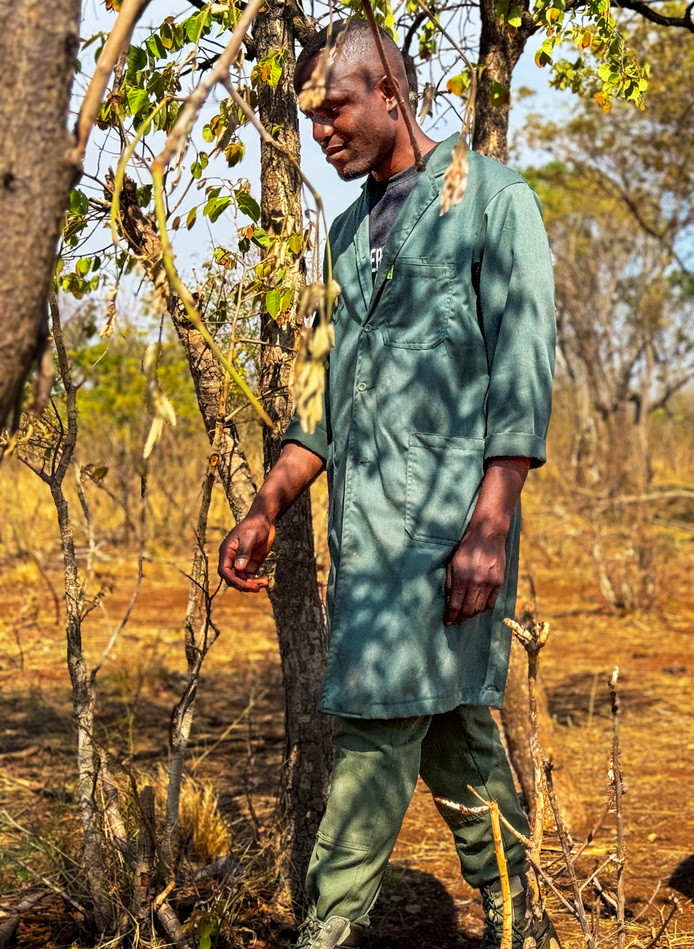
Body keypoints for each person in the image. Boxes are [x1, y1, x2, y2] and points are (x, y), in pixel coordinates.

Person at [216, 19, 559, 949]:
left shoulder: (493, 202)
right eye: (311, 119)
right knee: (455, 739)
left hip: (452, 538)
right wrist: (265, 506)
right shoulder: (342, 233)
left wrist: (489, 528)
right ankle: (522, 923)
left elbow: (523, 383)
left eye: (336, 111)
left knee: (373, 736)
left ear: (390, 95)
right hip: (367, 550)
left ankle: (324, 932)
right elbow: (320, 403)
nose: (322, 134)